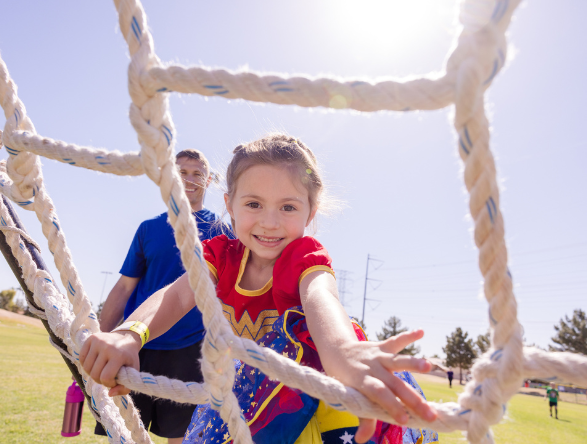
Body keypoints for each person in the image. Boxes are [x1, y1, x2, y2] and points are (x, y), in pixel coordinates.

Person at [81, 134, 438, 444]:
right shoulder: (220, 255)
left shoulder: (303, 256)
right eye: (254, 204)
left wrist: (344, 351)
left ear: (310, 213)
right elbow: (178, 294)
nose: (270, 222)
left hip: (321, 380)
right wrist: (130, 333)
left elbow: (321, 296)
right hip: (248, 393)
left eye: (288, 207)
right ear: (230, 206)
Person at [95, 149, 233, 443]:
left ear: (208, 180)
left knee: (182, 438)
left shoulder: (223, 231)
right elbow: (123, 288)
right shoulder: (149, 229)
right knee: (124, 432)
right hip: (138, 346)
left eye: (198, 173)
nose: (190, 179)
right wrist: (103, 337)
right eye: (182, 172)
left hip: (192, 351)